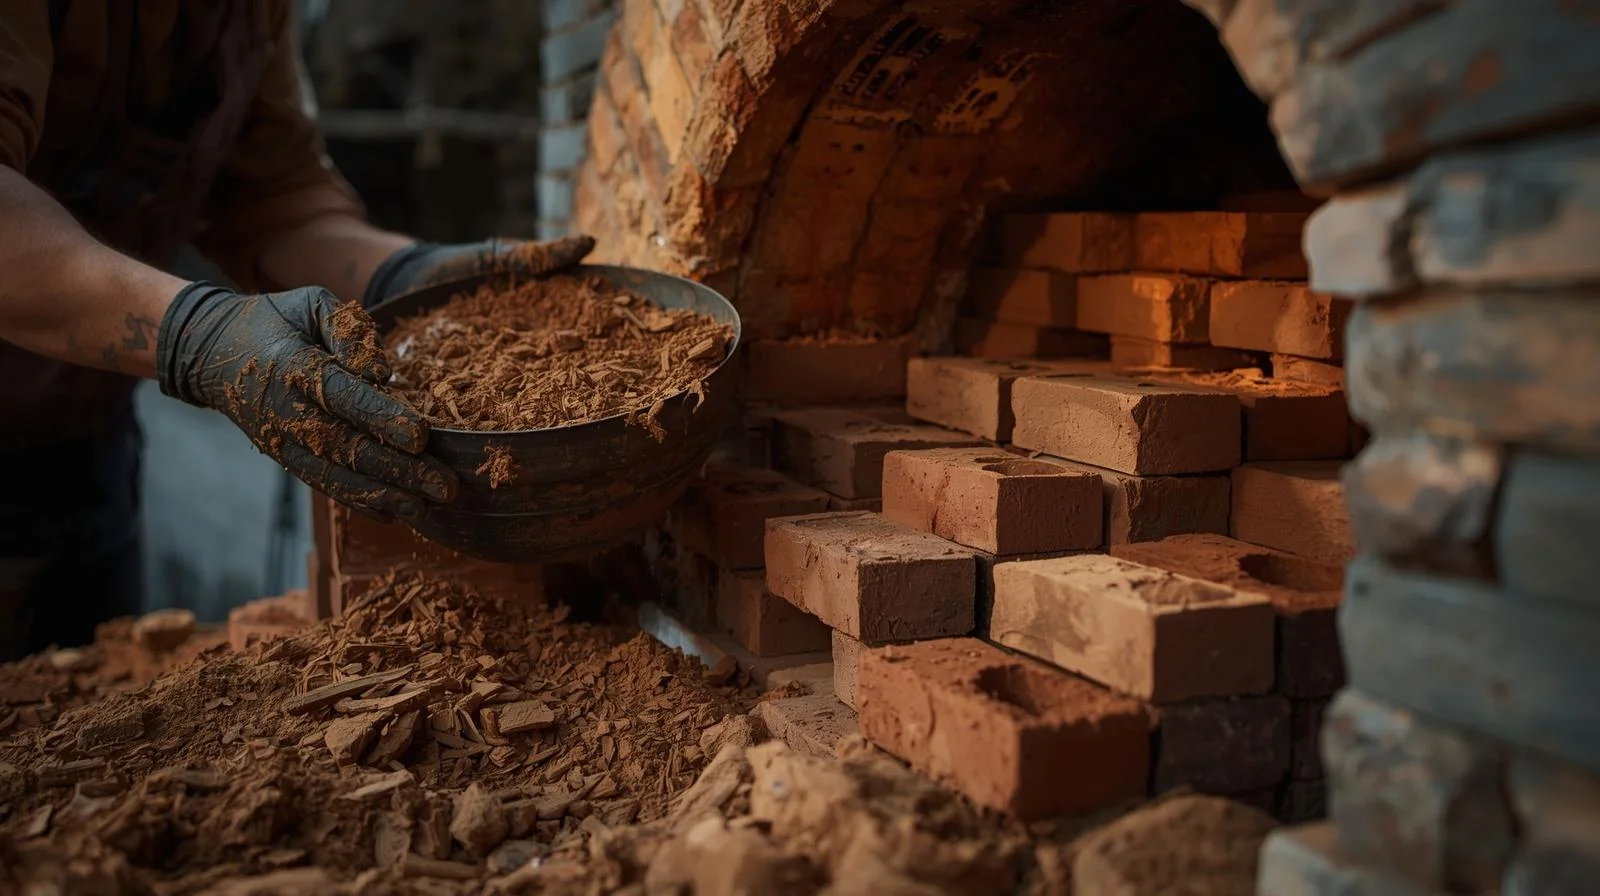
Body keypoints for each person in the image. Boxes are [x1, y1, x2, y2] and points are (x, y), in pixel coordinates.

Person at [0, 1, 592, 657]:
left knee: (78, 693)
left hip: (83, 444)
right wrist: (201, 334)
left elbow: (274, 199)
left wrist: (405, 272)